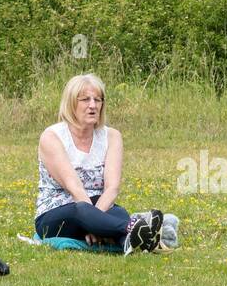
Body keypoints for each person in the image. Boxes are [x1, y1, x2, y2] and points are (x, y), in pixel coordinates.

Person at [35, 73, 170, 254]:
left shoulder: (112, 136)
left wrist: (95, 222)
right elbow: (75, 189)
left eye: (98, 100)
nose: (93, 105)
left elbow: (112, 188)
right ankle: (135, 227)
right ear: (71, 103)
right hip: (58, 213)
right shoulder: (52, 137)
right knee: (81, 210)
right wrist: (94, 222)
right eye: (85, 100)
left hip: (99, 207)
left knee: (119, 212)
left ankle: (136, 242)